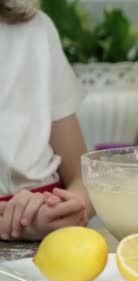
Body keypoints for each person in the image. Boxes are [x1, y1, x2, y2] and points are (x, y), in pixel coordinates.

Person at [0, 1, 92, 241]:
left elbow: (83, 178)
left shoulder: (35, 29)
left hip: (50, 244)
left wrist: (69, 210)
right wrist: (20, 224)